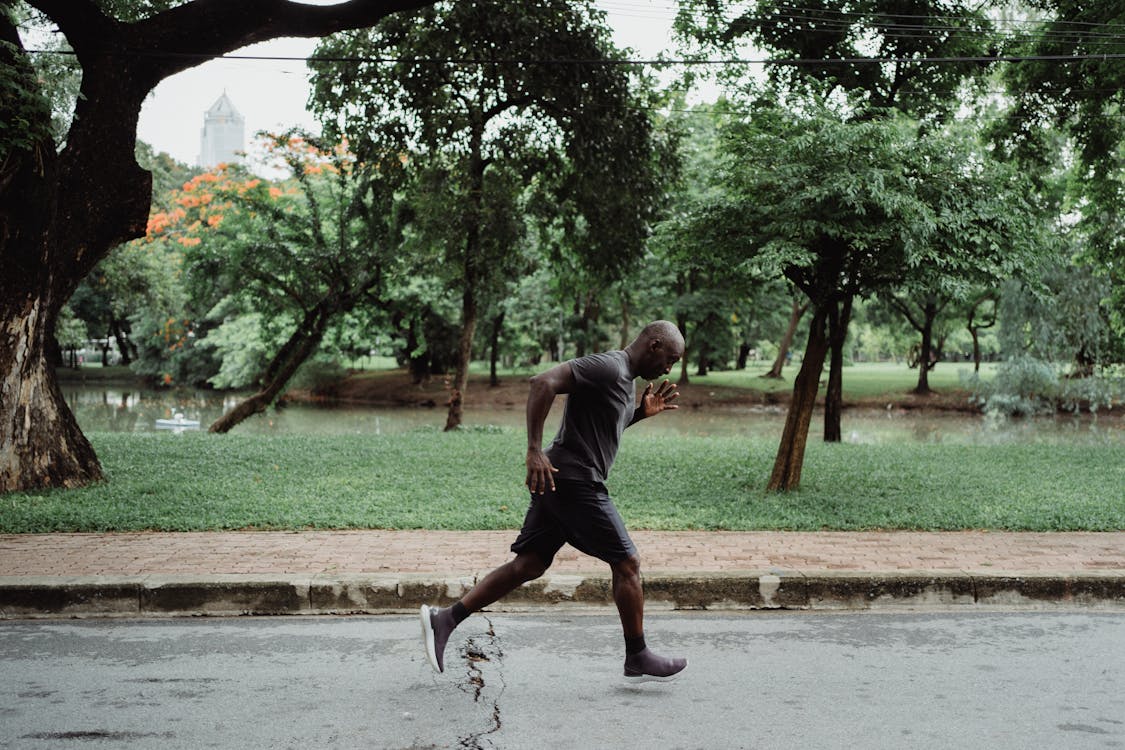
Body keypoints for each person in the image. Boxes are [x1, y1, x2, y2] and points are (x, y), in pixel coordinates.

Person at [420, 320, 688, 683]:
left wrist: (639, 413)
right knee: (627, 564)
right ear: (653, 345)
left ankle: (445, 619)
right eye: (670, 359)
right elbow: (542, 382)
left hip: (563, 479)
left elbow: (600, 428)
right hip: (575, 481)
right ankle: (637, 654)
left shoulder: (625, 381)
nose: (669, 369)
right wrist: (532, 449)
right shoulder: (609, 366)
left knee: (529, 565)